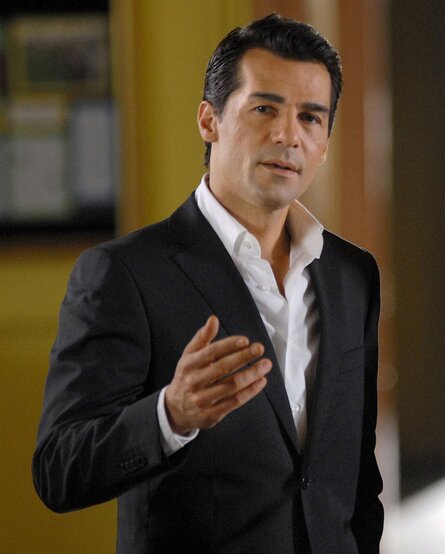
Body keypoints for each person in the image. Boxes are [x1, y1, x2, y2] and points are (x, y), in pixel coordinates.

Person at [33, 13, 383, 554]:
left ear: (325, 143)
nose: (288, 135)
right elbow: (59, 469)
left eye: (310, 117)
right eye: (264, 108)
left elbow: (356, 477)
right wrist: (170, 415)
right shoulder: (124, 274)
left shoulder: (351, 274)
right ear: (209, 120)